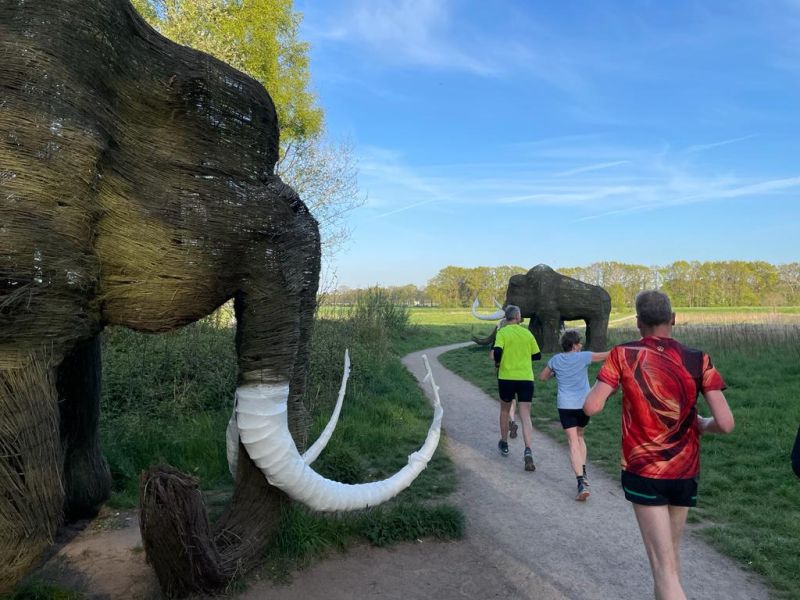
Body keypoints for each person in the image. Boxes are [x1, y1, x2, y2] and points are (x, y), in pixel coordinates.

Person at [584, 290, 734, 600]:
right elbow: (726, 423)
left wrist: (614, 388)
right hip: (685, 471)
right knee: (670, 562)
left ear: (638, 322)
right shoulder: (698, 358)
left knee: (663, 569)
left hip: (644, 471)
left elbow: (591, 407)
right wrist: (703, 424)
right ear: (673, 319)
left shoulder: (622, 354)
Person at [538, 329, 608, 501]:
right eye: (579, 343)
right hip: (583, 405)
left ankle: (581, 482)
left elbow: (542, 377)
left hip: (565, 406)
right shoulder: (584, 357)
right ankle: (583, 472)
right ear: (575, 345)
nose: (581, 345)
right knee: (580, 435)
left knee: (572, 441)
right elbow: (607, 355)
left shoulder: (555, 360)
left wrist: (555, 373)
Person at [491, 305, 542, 471]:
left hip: (506, 378)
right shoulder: (527, 334)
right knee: (525, 415)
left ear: (507, 317)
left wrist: (499, 363)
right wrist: (523, 357)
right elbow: (537, 355)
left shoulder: (502, 333)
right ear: (518, 317)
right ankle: (528, 450)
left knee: (505, 411)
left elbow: (497, 352)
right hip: (525, 378)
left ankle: (504, 443)